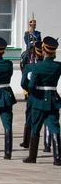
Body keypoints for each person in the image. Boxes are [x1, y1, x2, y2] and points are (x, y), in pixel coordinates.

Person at [23, 37, 61, 165]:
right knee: (55, 127)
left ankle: (32, 157)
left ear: (43, 50)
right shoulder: (58, 66)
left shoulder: (38, 67)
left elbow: (32, 85)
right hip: (52, 99)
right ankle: (57, 157)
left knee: (36, 128)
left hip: (39, 99)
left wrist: (35, 95)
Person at [20, 41, 48, 150]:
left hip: (33, 96)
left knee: (30, 118)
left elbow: (23, 83)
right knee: (48, 120)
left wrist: (30, 91)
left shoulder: (30, 67)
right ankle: (47, 145)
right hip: (47, 95)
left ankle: (26, 142)